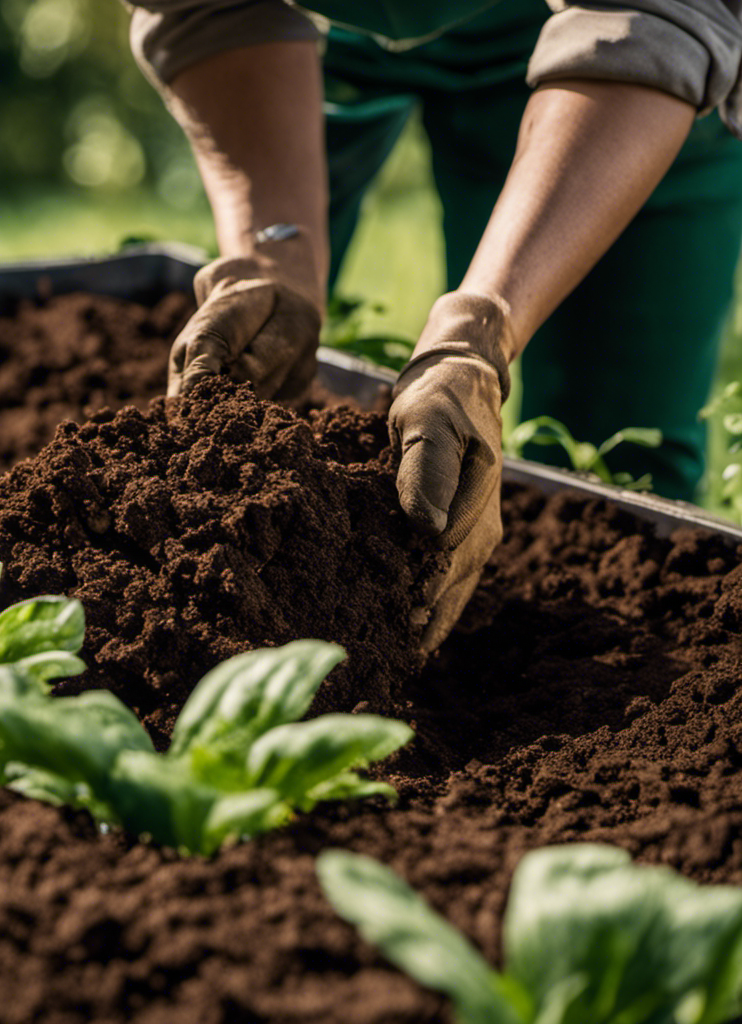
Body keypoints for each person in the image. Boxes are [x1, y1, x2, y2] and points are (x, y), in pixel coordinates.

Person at [123, 0, 742, 651]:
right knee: (259, 343)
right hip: (320, 31)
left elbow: (656, 17)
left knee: (624, 488)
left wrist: (480, 333)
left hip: (629, 43)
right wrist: (275, 251)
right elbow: (202, 9)